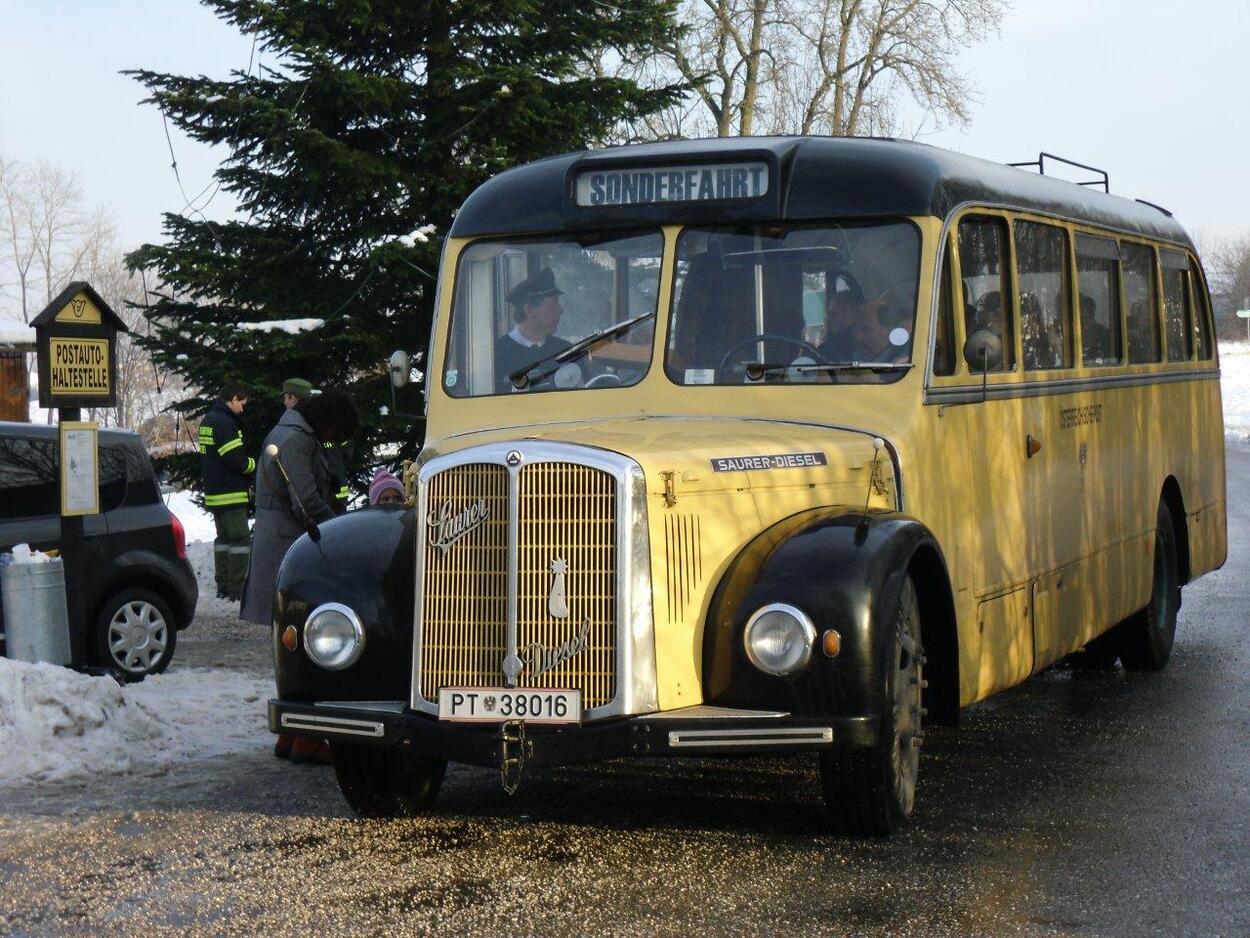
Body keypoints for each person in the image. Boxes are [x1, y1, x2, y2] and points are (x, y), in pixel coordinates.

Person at [243, 389, 358, 765]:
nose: (332, 441)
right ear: (326, 421)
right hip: (289, 547)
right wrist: (340, 535)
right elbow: (306, 502)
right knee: (304, 643)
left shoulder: (294, 433)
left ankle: (292, 735)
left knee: (292, 642)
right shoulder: (293, 440)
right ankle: (305, 738)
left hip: (285, 542)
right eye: (335, 433)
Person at [198, 385, 255, 601]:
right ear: (233, 399)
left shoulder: (209, 419)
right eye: (242, 403)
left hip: (215, 492)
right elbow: (235, 459)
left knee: (223, 539)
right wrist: (253, 465)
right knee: (240, 539)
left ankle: (223, 586)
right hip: (230, 492)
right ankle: (237, 590)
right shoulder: (225, 422)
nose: (243, 409)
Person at [494, 267, 572, 392]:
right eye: (553, 305)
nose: (561, 311)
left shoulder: (566, 351)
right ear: (529, 310)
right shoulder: (497, 354)